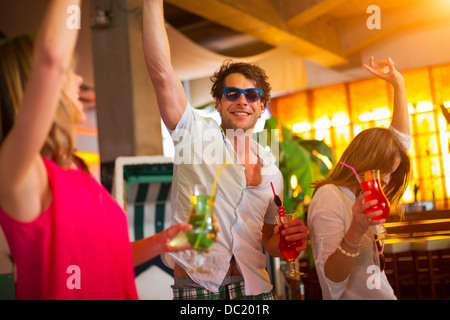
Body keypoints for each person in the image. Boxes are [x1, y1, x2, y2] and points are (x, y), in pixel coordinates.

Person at [0, 0, 191, 300]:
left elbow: (106, 260)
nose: (78, 80)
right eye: (68, 73)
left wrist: (162, 242)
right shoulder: (18, 173)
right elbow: (51, 59)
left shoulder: (77, 171)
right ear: (32, 87)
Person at [142, 0, 308, 300]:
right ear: (218, 103)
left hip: (256, 289)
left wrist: (288, 242)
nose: (242, 100)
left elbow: (269, 240)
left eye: (251, 95)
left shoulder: (272, 171)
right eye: (232, 93)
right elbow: (162, 73)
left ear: (261, 107)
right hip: (198, 289)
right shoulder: (194, 135)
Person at [307, 56, 412, 300]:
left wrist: (399, 84)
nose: (386, 181)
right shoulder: (329, 198)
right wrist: (355, 231)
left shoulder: (362, 196)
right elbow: (331, 282)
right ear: (366, 163)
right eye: (384, 171)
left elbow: (400, 144)